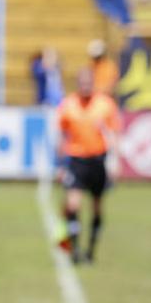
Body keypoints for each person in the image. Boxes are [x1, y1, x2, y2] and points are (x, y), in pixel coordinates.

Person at [57, 67, 121, 264]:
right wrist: (60, 164)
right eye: (82, 83)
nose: (85, 86)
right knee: (73, 204)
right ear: (78, 84)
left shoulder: (105, 105)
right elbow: (61, 133)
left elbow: (114, 134)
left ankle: (91, 250)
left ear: (93, 83)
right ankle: (74, 250)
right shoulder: (68, 105)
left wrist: (114, 161)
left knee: (97, 207)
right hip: (77, 160)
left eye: (88, 83)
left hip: (98, 160)